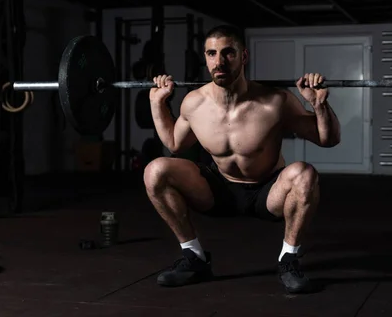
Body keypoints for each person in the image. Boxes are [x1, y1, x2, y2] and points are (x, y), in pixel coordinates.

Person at [143, 25, 341, 294]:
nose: (219, 62)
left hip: (267, 191)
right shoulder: (194, 103)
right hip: (218, 189)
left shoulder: (276, 101)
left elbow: (327, 140)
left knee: (304, 174)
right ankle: (193, 257)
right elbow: (175, 144)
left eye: (228, 53)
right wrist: (157, 105)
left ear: (243, 56)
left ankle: (289, 259)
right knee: (155, 171)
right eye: (211, 54)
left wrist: (319, 106)